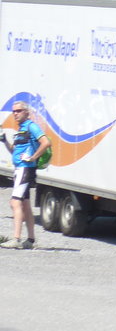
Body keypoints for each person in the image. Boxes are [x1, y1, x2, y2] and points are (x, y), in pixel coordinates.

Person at [3, 101, 49, 249]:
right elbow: (14, 151)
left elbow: (46, 142)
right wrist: (4, 141)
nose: (15, 113)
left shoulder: (31, 126)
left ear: (26, 112)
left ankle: (16, 239)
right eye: (13, 111)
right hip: (19, 168)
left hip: (26, 169)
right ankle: (30, 239)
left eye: (18, 111)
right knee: (25, 204)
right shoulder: (20, 130)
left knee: (15, 202)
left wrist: (33, 157)